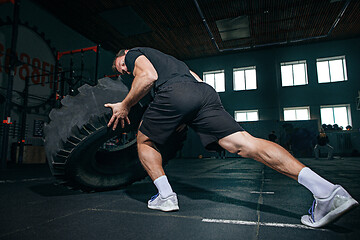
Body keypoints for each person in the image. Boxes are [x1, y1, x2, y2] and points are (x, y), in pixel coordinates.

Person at [104, 47, 358, 228]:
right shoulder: (174, 62)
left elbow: (147, 77)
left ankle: (166, 197)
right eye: (122, 70)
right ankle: (327, 192)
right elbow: (197, 81)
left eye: (121, 66)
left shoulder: (136, 53)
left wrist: (125, 105)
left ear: (124, 54)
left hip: (175, 92)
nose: (125, 70)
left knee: (145, 140)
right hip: (205, 93)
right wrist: (183, 115)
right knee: (244, 143)